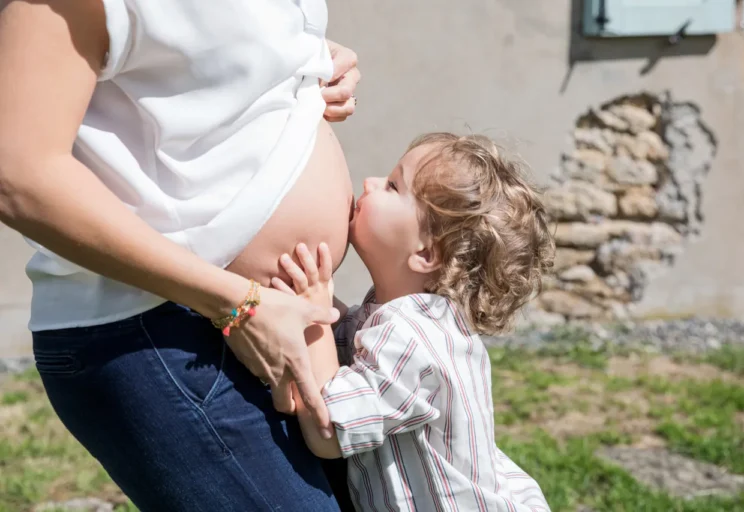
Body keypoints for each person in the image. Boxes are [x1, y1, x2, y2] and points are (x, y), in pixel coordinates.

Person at [0, 0, 361, 510]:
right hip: (162, 329)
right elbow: (19, 175)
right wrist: (238, 304)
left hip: (267, 317)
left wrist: (310, 65)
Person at [272, 133, 554, 511]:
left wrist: (314, 310)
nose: (369, 184)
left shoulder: (411, 337)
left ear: (425, 253)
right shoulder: (409, 317)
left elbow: (329, 431)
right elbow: (346, 339)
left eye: (392, 186)